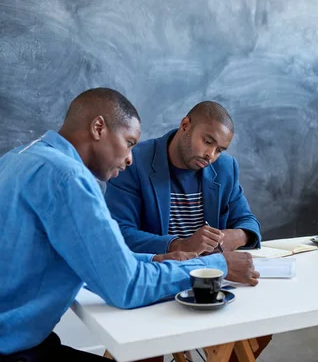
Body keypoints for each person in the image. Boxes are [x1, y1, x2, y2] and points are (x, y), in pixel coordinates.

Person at [0, 88, 259, 362]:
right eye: (129, 142)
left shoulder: (19, 158)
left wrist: (156, 258)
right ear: (98, 128)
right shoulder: (69, 179)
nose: (130, 158)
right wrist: (217, 267)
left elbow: (95, 255)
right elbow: (127, 287)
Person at [105, 101, 261, 256]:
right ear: (185, 125)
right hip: (157, 272)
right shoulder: (133, 161)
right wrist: (178, 245)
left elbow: (247, 220)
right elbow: (119, 232)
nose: (211, 155)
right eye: (207, 142)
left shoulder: (225, 168)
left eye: (219, 150)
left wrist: (236, 236)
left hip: (210, 273)